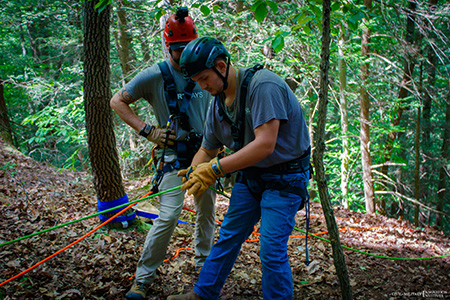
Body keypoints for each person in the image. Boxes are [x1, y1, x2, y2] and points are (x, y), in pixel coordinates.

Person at [167, 37, 311, 300]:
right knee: (229, 235)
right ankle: (204, 293)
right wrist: (194, 171)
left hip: (285, 179)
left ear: (221, 66)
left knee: (270, 248)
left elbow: (265, 145)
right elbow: (208, 149)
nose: (201, 86)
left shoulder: (263, 86)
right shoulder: (217, 102)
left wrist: (214, 170)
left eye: (203, 78)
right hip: (251, 176)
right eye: (196, 81)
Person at [110, 9, 216, 300]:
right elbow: (118, 101)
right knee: (168, 215)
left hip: (205, 155)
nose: (183, 55)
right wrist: (148, 131)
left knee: (207, 211)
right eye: (178, 49)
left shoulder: (205, 69)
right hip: (173, 156)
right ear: (167, 46)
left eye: (188, 48)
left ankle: (204, 265)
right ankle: (142, 279)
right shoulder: (156, 75)